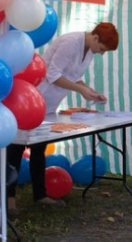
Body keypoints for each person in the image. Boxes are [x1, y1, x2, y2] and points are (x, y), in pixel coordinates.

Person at [7, 22, 119, 214]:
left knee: (39, 149)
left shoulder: (88, 50)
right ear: (95, 37)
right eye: (102, 49)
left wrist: (91, 92)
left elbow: (75, 77)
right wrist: (81, 89)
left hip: (49, 105)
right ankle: (9, 200)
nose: (101, 53)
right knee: (16, 149)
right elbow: (53, 75)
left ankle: (40, 195)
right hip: (31, 99)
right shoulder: (70, 42)